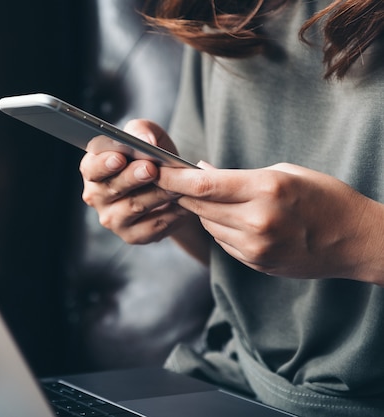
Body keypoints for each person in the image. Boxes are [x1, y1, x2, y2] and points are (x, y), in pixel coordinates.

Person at [79, 1, 384, 416]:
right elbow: (234, 253)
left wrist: (364, 240)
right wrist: (164, 203)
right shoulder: (225, 8)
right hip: (231, 382)